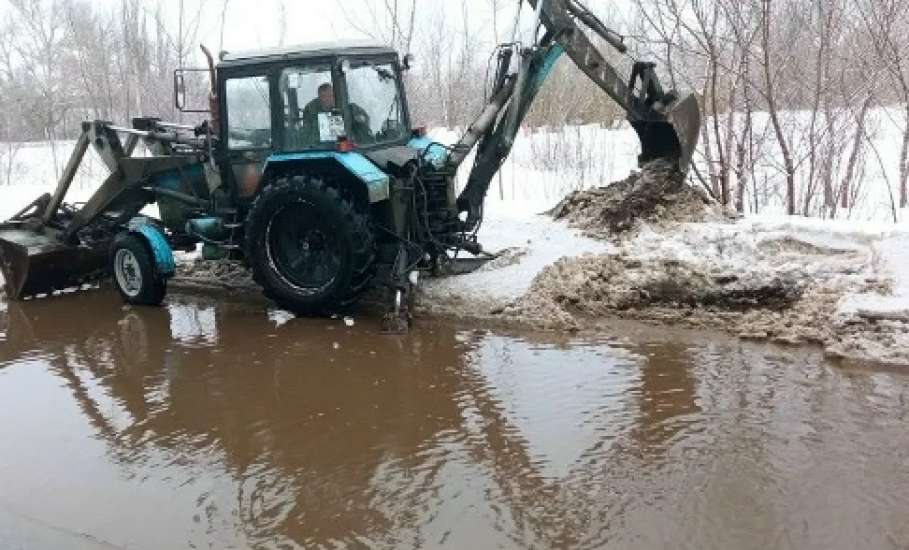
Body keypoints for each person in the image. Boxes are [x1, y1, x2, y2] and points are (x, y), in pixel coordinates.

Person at [298, 83, 372, 146]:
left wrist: (360, 120)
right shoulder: (311, 111)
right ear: (319, 98)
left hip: (352, 148)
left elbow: (364, 122)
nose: (328, 99)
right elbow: (307, 135)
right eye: (324, 96)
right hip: (322, 149)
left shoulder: (350, 108)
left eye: (330, 95)